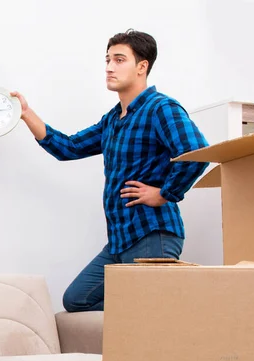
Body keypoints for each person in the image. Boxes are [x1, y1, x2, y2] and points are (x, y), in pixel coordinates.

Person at [12, 29, 209, 312]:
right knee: (76, 299)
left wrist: (165, 193)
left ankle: (169, 311)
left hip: (153, 236)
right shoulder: (113, 120)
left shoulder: (161, 108)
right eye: (107, 60)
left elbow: (195, 153)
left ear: (142, 67)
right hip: (119, 242)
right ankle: (158, 307)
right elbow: (68, 147)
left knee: (147, 314)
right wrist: (26, 113)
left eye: (119, 60)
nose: (109, 67)